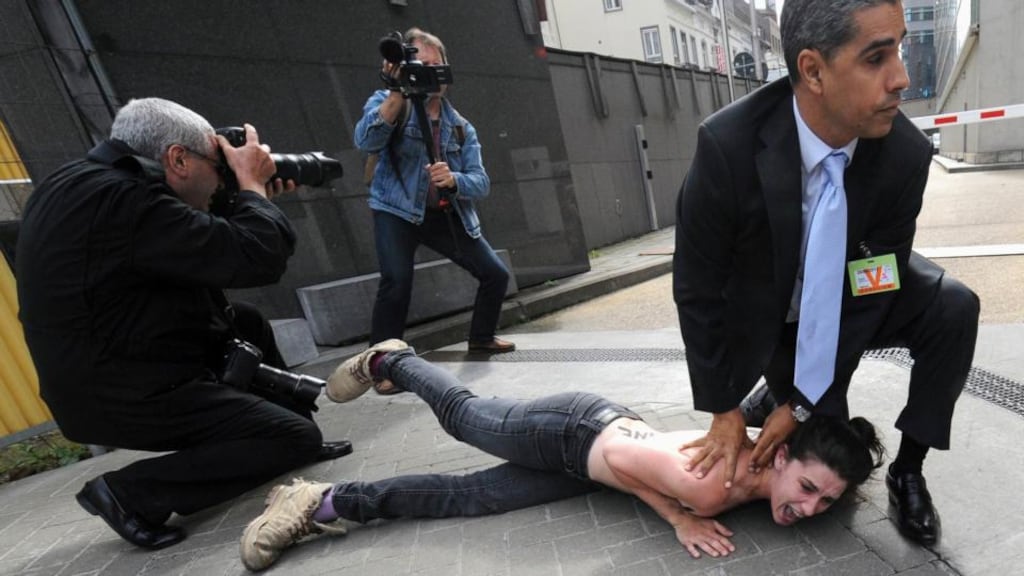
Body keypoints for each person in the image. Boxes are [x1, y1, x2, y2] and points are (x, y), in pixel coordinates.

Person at [672, 0, 979, 547]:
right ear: (813, 70)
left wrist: (804, 401)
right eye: (876, 58)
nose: (902, 78)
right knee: (825, 448)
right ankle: (766, 395)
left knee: (955, 307)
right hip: (772, 313)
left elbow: (873, 287)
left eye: (901, 49)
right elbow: (697, 289)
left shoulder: (904, 154)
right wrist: (721, 410)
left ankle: (908, 470)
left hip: (852, 296)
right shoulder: (728, 147)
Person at [15, 98, 352, 550]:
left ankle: (283, 429)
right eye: (219, 166)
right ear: (177, 159)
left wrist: (247, 197)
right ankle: (131, 493)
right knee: (291, 438)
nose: (221, 181)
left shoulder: (85, 183)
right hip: (118, 390)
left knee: (246, 323)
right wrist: (251, 187)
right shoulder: (123, 199)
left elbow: (195, 238)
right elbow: (253, 258)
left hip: (117, 356)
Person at [237, 340, 884, 571]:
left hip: (594, 451)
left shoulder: (765, 458)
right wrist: (680, 518)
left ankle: (319, 501)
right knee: (463, 417)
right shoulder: (716, 485)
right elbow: (631, 472)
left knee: (471, 498)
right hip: (575, 434)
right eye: (807, 487)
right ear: (779, 458)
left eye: (824, 500)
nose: (809, 507)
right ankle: (393, 361)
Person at [353, 27, 515, 379]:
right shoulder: (389, 100)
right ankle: (381, 368)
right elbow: (366, 140)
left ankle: (481, 338)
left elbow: (482, 182)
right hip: (395, 209)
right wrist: (398, 92)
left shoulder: (460, 127)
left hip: (444, 211)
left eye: (433, 63)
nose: (427, 71)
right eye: (419, 64)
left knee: (495, 274)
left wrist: (454, 180)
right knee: (396, 281)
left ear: (445, 66)